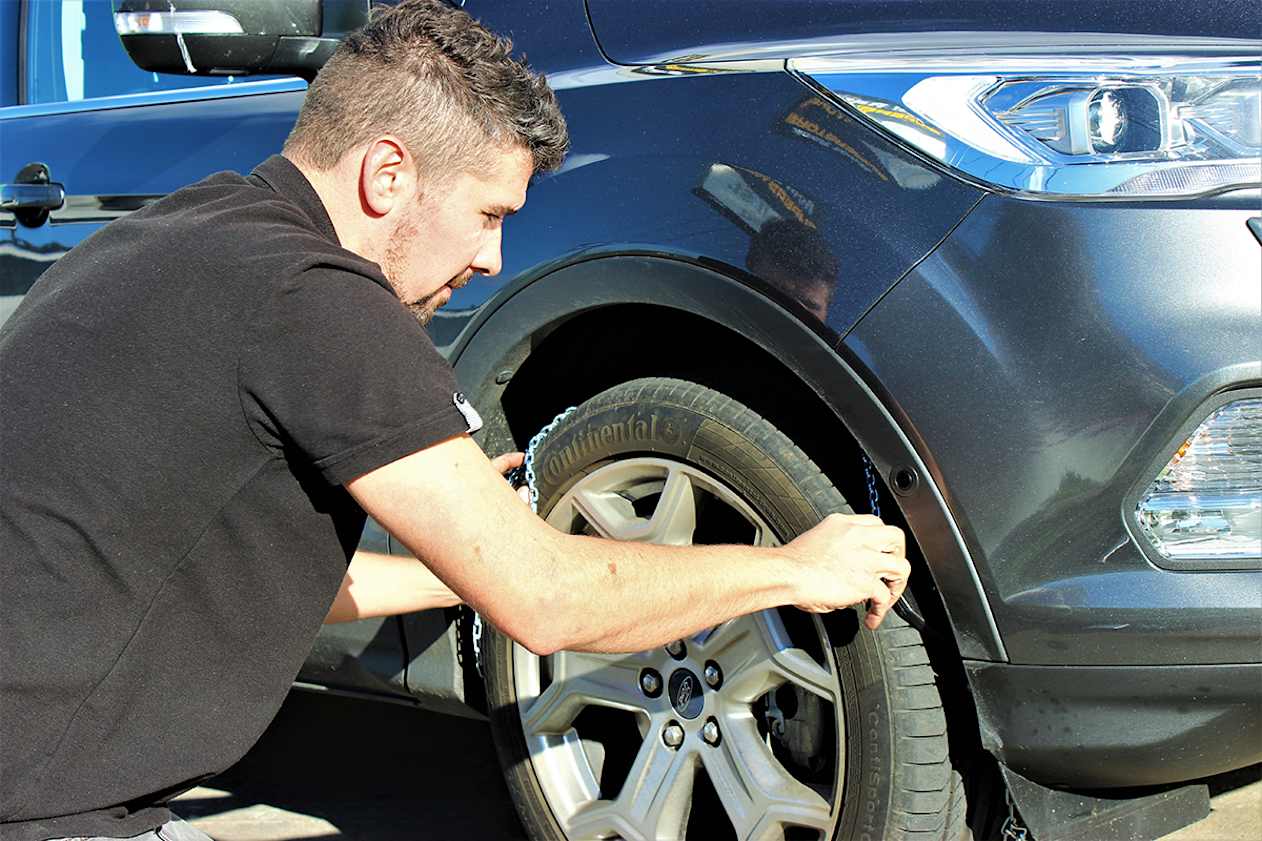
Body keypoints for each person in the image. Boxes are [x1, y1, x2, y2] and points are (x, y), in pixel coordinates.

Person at [0, 2, 910, 839]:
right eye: (486, 214)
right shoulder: (315, 299)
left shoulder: (186, 237)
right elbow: (549, 603)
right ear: (388, 173)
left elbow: (223, 571)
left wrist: (462, 566)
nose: (492, 256)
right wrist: (793, 565)